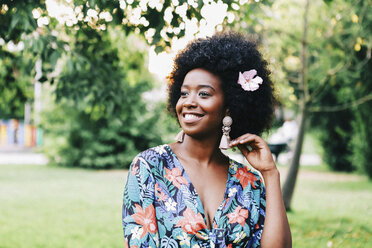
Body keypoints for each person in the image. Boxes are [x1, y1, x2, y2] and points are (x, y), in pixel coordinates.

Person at [122, 32, 292, 248]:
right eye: (184, 94)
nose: (189, 102)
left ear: (229, 107)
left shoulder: (248, 182)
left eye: (204, 94)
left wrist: (270, 173)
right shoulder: (150, 167)